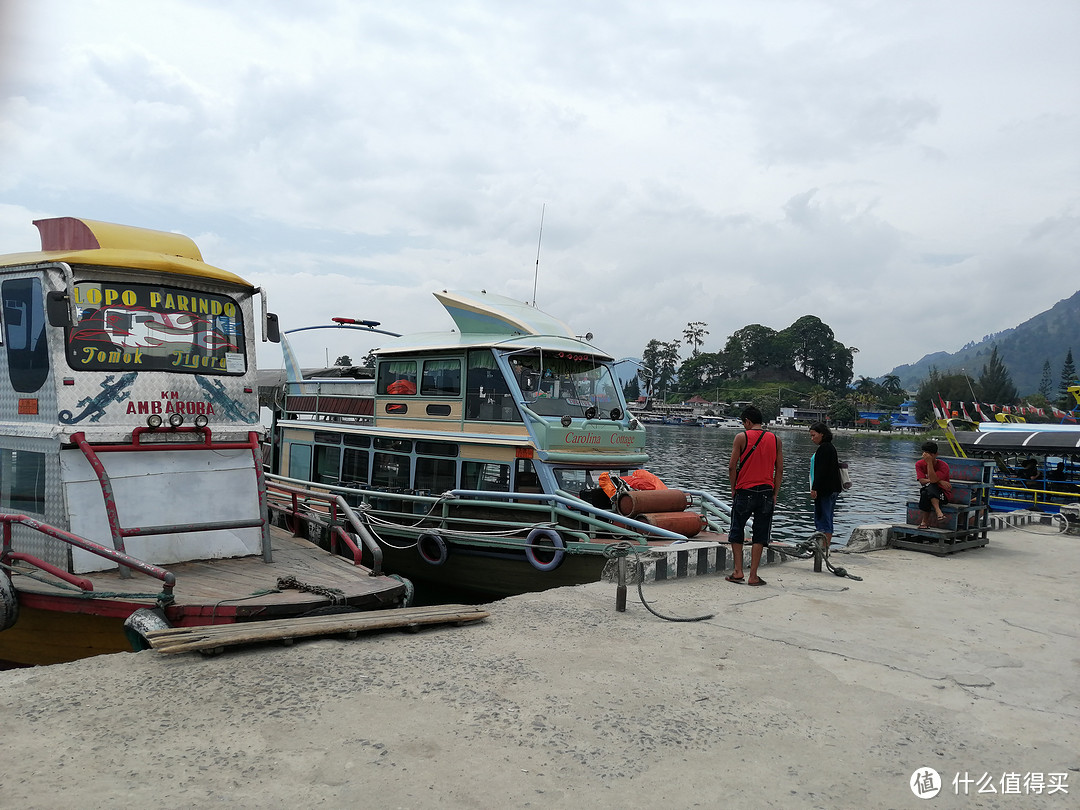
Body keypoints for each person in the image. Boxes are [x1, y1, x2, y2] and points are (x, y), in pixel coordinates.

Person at [726, 406, 783, 586]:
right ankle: (753, 575)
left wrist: (733, 489)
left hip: (745, 490)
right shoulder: (776, 440)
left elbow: (732, 466)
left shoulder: (741, 437)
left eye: (744, 423)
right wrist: (775, 493)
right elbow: (779, 469)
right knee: (760, 534)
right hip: (766, 492)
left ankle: (738, 571)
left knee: (737, 530)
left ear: (748, 421)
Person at [808, 422, 843, 555]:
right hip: (832, 488)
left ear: (821, 434)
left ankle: (823, 549)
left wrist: (815, 488)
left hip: (825, 490)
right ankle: (825, 547)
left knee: (823, 519)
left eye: (814, 435)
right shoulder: (830, 448)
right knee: (827, 517)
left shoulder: (824, 449)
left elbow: (821, 471)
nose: (812, 438)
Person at [915, 441, 952, 528]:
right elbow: (922, 481)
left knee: (930, 488)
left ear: (935, 455)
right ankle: (938, 513)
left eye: (929, 454)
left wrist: (929, 464)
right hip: (929, 492)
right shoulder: (919, 464)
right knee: (925, 491)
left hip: (943, 494)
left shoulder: (943, 466)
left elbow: (932, 480)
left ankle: (924, 522)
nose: (926, 456)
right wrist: (939, 481)